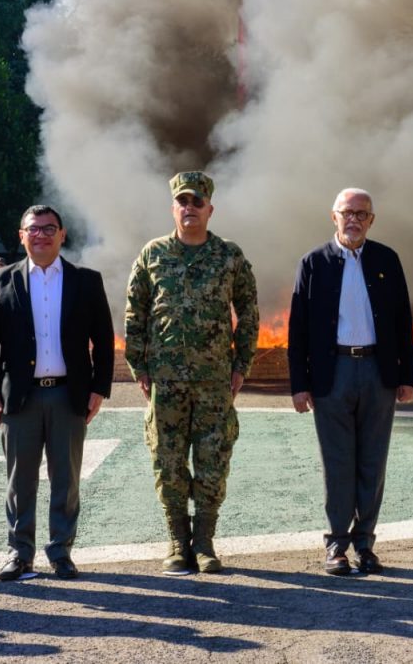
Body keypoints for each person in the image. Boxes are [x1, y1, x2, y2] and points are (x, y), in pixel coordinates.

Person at [125, 170, 259, 576]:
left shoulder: (229, 256)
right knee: (168, 464)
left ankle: (204, 542)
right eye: (183, 201)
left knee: (213, 463)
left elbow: (249, 311)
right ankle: (177, 542)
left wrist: (241, 365)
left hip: (214, 383)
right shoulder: (152, 254)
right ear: (173, 208)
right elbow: (135, 312)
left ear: (210, 209)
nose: (190, 208)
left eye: (197, 201)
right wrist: (138, 366)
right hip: (165, 383)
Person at [0, 205, 114, 581]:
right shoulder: (1, 279)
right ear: (21, 235)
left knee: (66, 479)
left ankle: (60, 551)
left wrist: (99, 388)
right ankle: (19, 552)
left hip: (68, 394)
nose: (41, 235)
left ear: (62, 235)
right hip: (19, 396)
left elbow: (103, 340)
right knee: (19, 480)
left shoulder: (86, 281)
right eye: (33, 229)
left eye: (49, 228)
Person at [287, 188, 413, 576]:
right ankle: (336, 546)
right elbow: (298, 328)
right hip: (333, 373)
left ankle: (365, 545)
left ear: (371, 220)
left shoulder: (387, 260)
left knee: (373, 462)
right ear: (334, 217)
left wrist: (407, 376)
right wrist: (299, 383)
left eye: (362, 214)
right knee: (338, 462)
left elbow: (402, 321)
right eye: (347, 213)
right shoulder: (313, 262)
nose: (354, 220)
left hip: (378, 371)